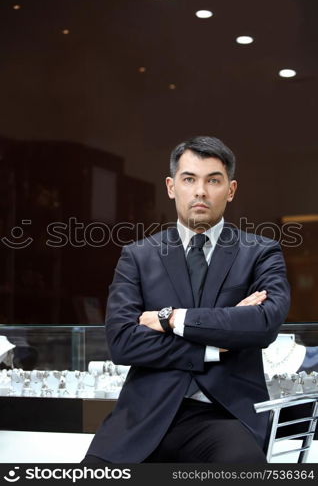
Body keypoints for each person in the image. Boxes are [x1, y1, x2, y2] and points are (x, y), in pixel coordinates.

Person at [83, 136, 290, 463]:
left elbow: (264, 324)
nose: (200, 191)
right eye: (189, 179)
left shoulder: (261, 253)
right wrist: (215, 343)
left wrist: (170, 319)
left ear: (231, 190)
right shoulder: (138, 256)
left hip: (224, 416)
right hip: (142, 417)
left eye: (213, 180)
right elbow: (122, 342)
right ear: (171, 186)